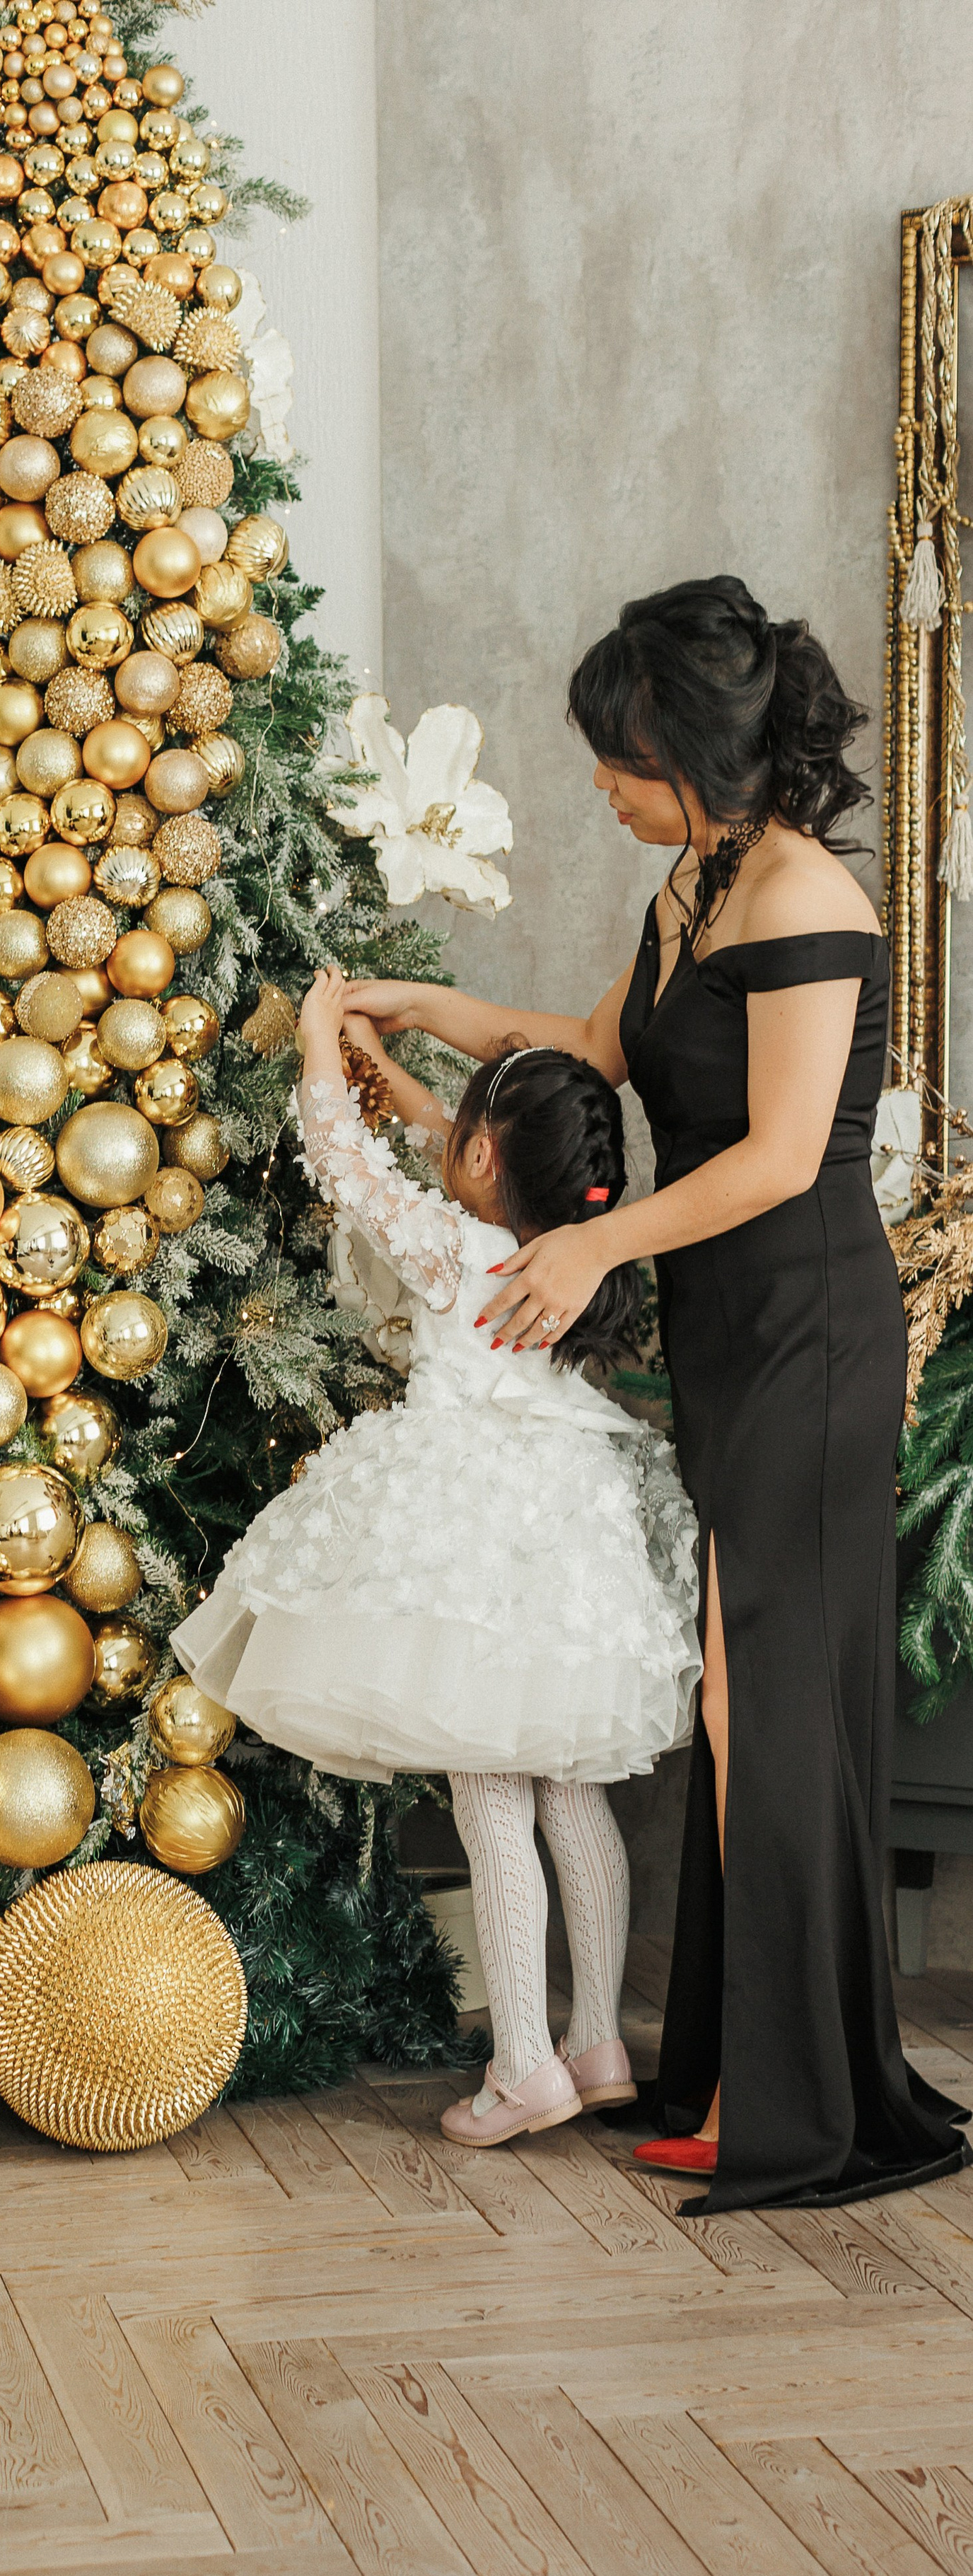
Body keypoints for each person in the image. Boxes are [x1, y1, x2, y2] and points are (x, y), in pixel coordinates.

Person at [343, 573, 970, 2211]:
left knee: (750, 1699)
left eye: (617, 762)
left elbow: (776, 1154)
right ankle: (736, 2075)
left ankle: (804, 2100)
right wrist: (426, 1019)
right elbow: (589, 1044)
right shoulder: (694, 884)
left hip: (808, 1334)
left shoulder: (803, 898)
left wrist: (596, 1239)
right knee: (731, 1702)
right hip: (724, 1330)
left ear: (686, 750)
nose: (602, 791)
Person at [174, 968, 701, 2145]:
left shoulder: (453, 1252)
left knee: (491, 1788)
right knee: (574, 1786)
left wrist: (322, 1044)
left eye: (459, 1134)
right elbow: (443, 1144)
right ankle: (598, 2040)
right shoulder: (581, 1251)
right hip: (574, 1541)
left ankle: (523, 2064)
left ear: (476, 1165)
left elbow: (347, 1164)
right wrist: (411, 1084)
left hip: (468, 1546)